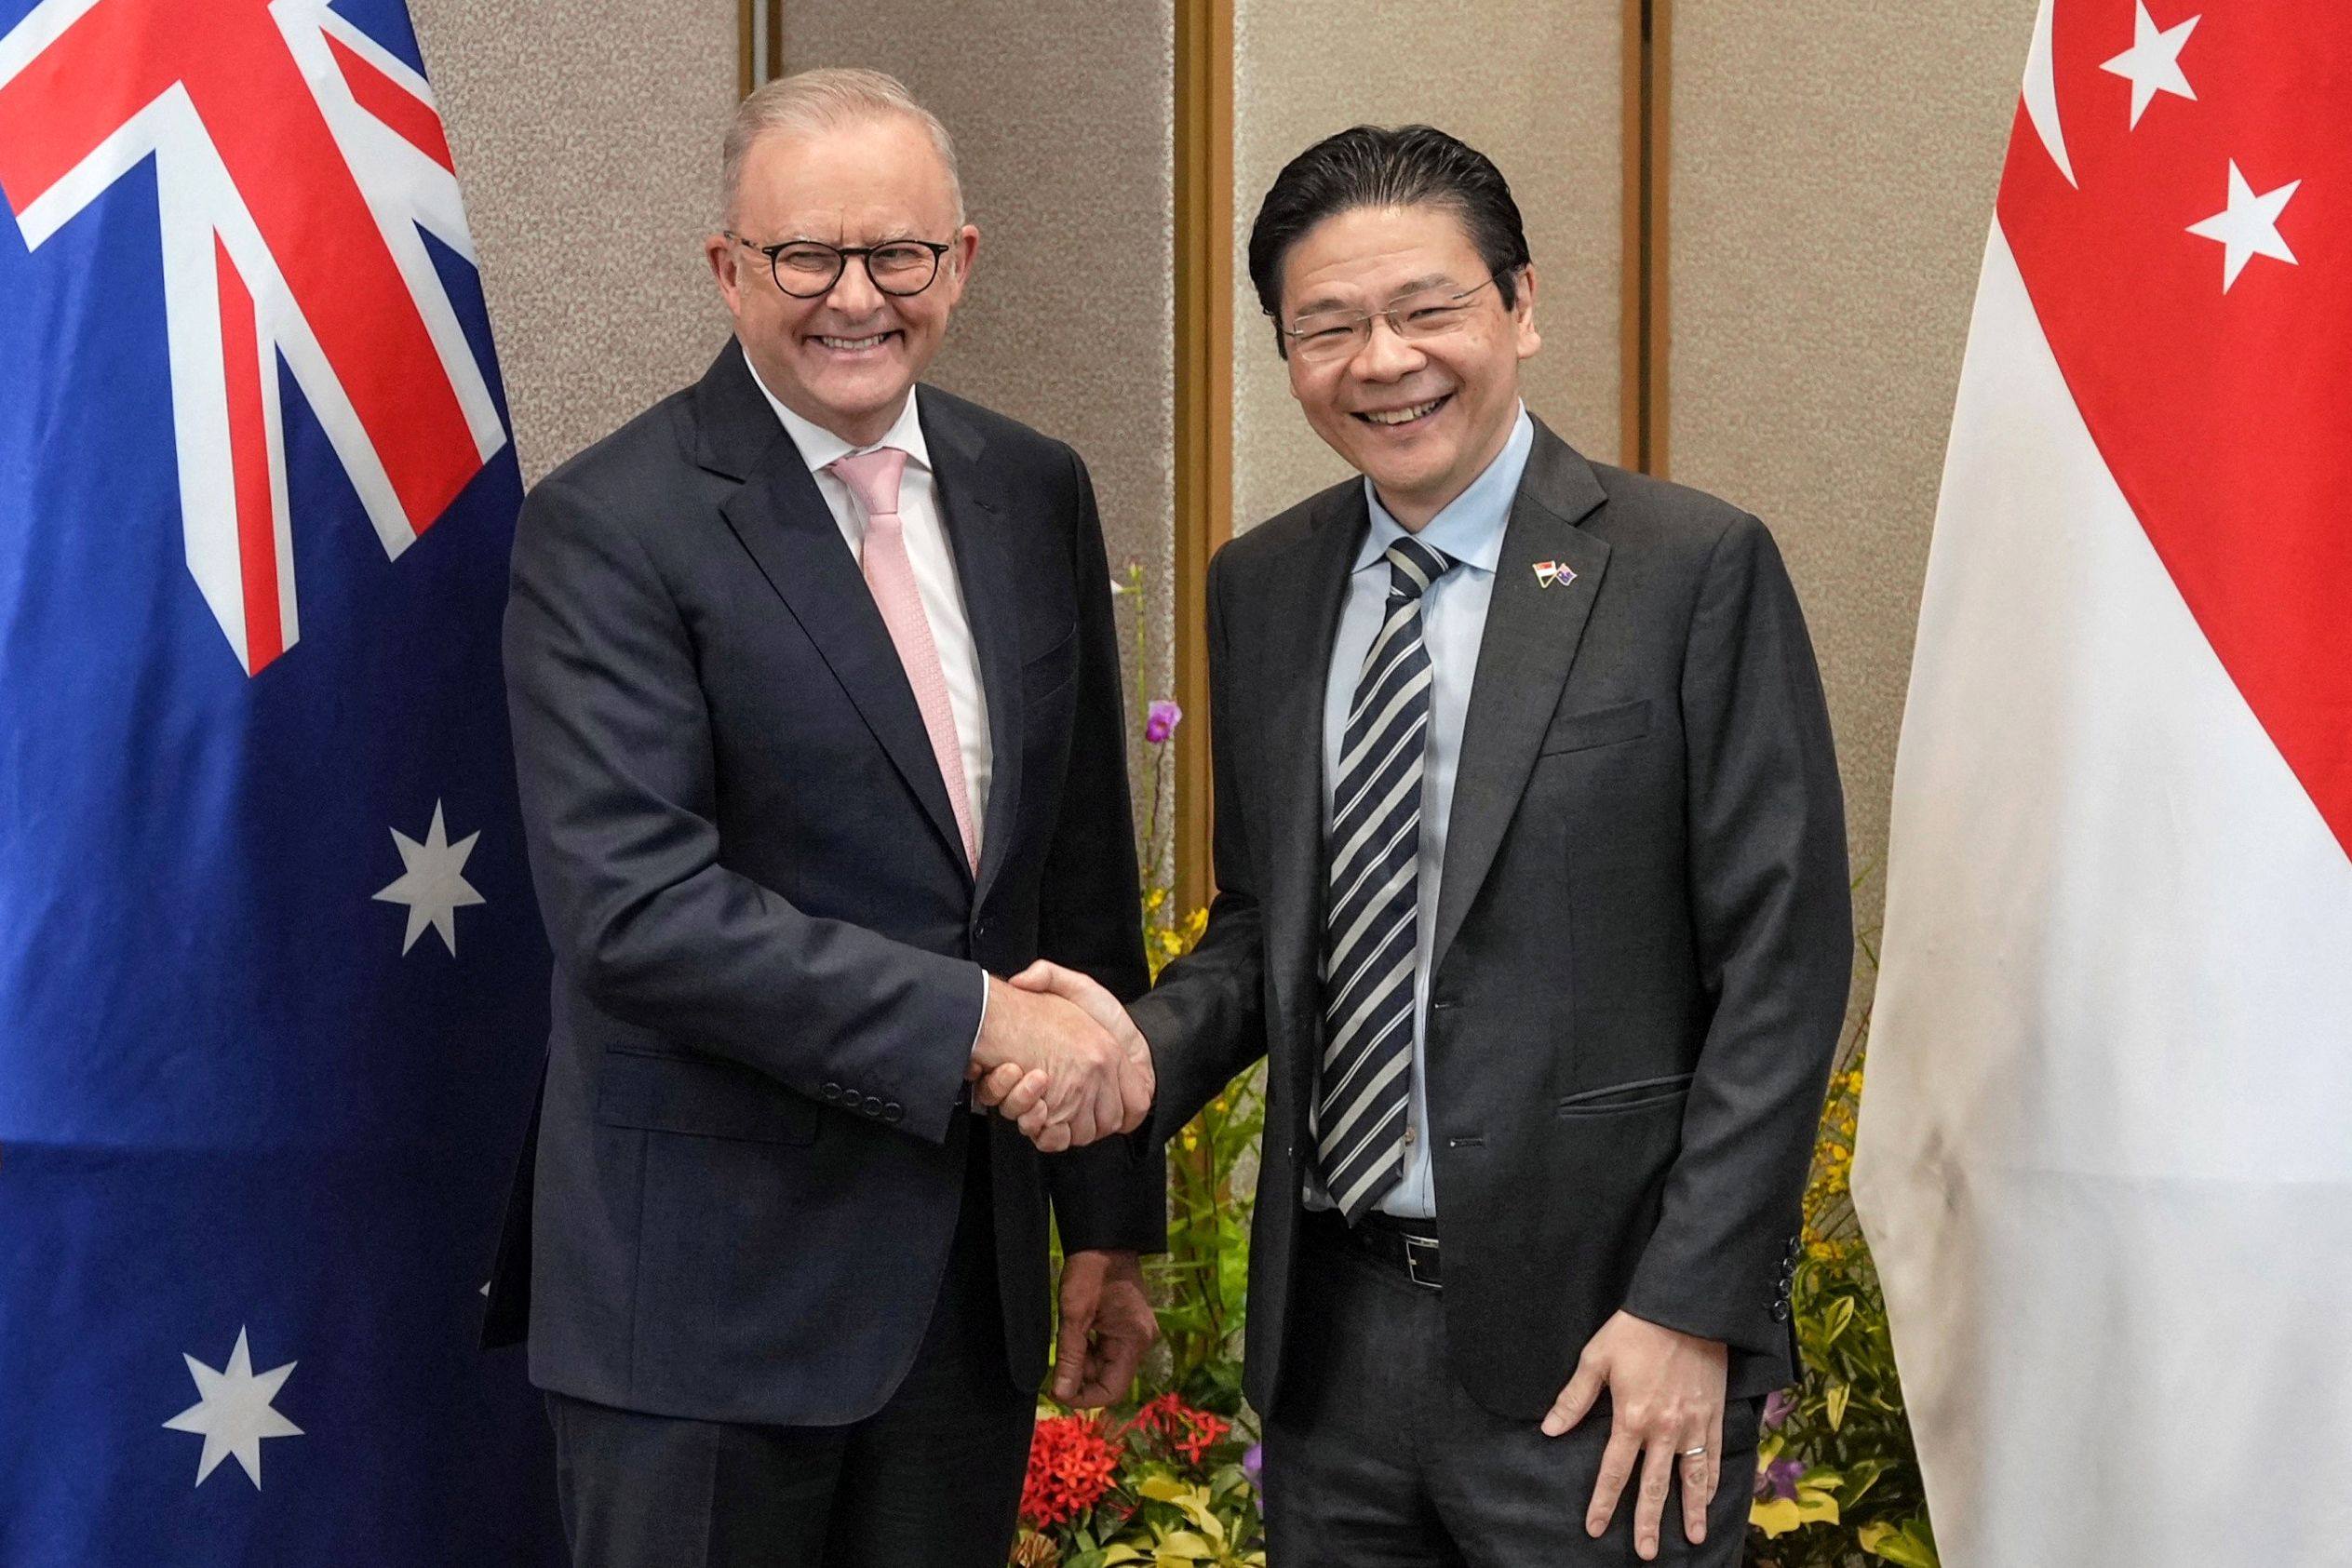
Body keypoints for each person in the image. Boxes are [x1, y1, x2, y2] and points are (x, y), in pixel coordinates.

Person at [1001, 125, 1851, 1565]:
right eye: (1327, 327)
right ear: (1287, 354)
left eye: (1428, 309)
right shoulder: (1263, 583)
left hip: (1607, 1347)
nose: (1382, 361)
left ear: (1520, 304)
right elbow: (1273, 923)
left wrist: (1692, 1306)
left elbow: (1784, 960)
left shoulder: (1687, 569)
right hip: (1334, 1348)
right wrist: (1129, 1056)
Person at [485, 67, 1162, 1568]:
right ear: (728, 268)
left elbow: (1074, 875)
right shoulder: (610, 525)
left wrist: (1108, 1212)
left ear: (962, 263)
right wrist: (985, 1026)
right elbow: (636, 913)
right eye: (806, 257)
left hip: (958, 1318)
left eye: (898, 256)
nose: (855, 298)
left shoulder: (1031, 489)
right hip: (702, 1325)